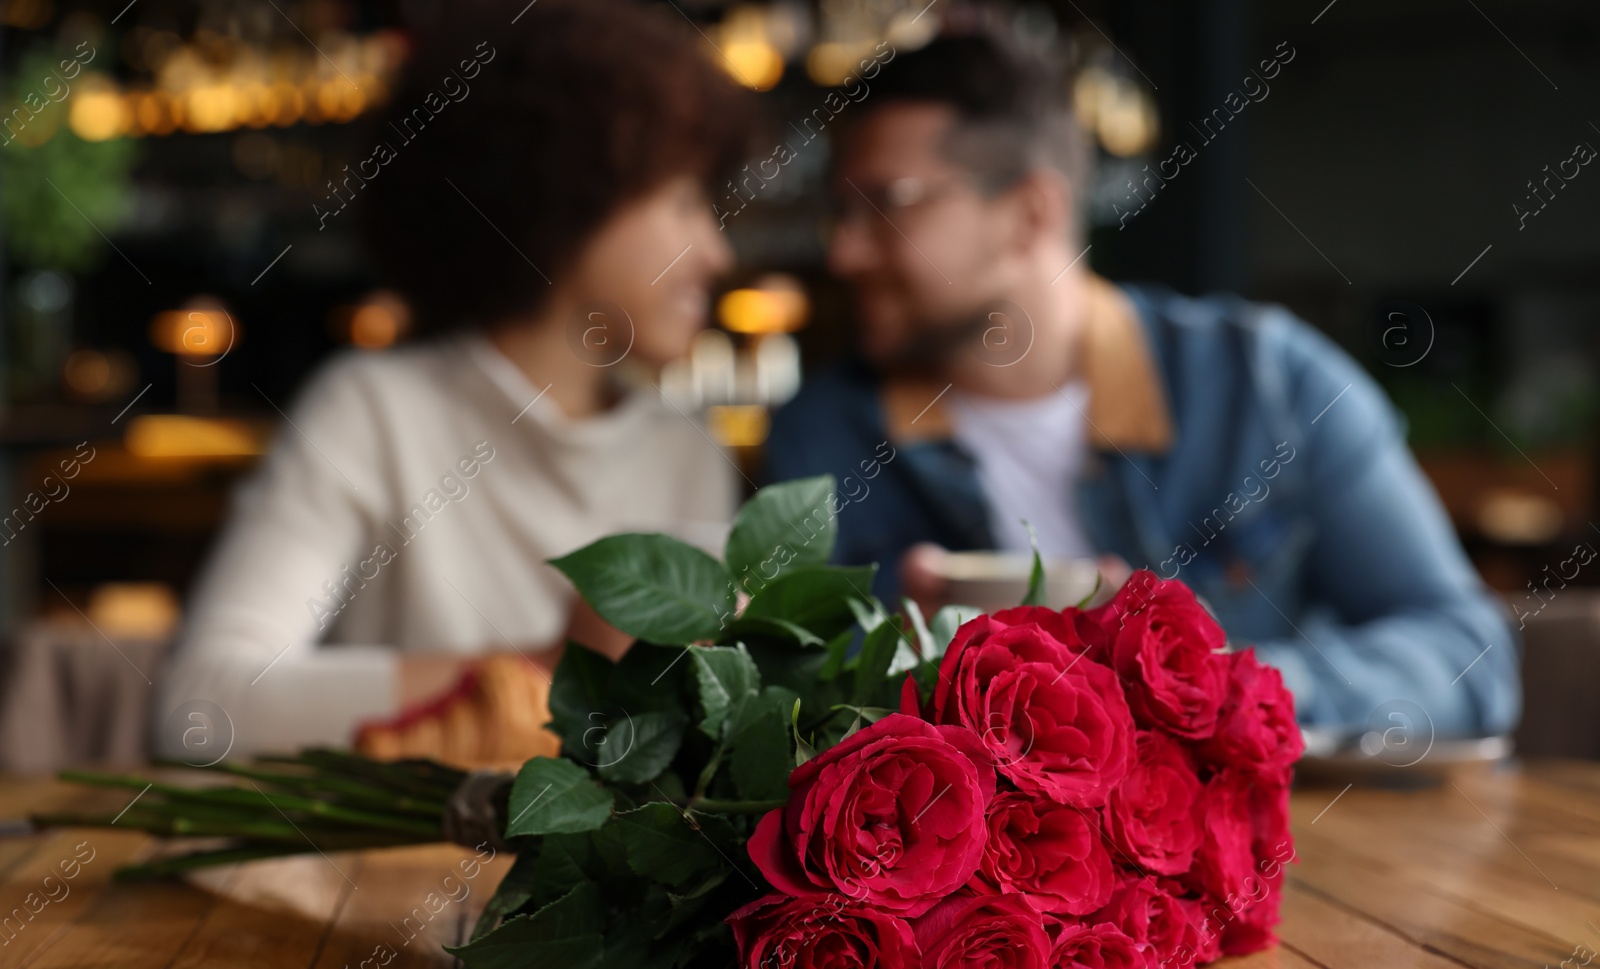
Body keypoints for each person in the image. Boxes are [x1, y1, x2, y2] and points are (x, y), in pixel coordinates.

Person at [764, 32, 1518, 743]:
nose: (845, 253)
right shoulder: (824, 435)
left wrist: (1215, 685)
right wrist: (904, 662)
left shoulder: (1269, 383)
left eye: (886, 204)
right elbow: (775, 701)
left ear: (1033, 213)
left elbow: (1469, 658)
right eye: (841, 212)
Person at [155, 0, 753, 761]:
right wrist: (548, 668)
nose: (717, 253)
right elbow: (201, 706)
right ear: (571, 194)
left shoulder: (684, 448)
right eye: (685, 201)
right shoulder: (375, 411)